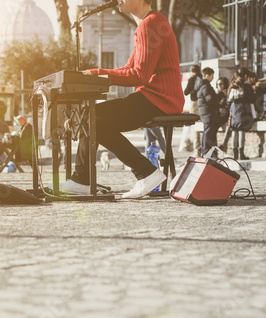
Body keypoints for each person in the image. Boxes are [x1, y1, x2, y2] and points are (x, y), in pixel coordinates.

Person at [56, 0, 184, 198]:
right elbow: (129, 68)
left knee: (93, 117)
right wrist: (96, 73)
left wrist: (97, 75)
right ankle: (139, 173)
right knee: (94, 118)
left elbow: (139, 75)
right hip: (159, 97)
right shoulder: (152, 22)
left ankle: (142, 173)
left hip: (159, 99)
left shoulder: (149, 25)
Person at [227, 68, 255, 160]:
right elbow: (251, 99)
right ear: (246, 75)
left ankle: (234, 154)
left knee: (234, 130)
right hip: (243, 109)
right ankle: (241, 153)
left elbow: (228, 100)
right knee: (241, 131)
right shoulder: (246, 86)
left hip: (234, 109)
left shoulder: (232, 85)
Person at [194, 67, 220, 157]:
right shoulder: (205, 86)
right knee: (208, 132)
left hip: (205, 113)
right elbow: (210, 99)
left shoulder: (202, 85)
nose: (213, 78)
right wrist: (218, 94)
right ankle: (206, 151)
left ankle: (207, 151)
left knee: (207, 132)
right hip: (208, 113)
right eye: (212, 75)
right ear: (207, 75)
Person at [180, 64, 203, 153]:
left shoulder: (192, 79)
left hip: (194, 103)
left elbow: (186, 92)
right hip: (202, 103)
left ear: (192, 71)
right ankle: (202, 146)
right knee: (202, 125)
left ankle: (197, 149)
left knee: (195, 126)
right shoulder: (202, 79)